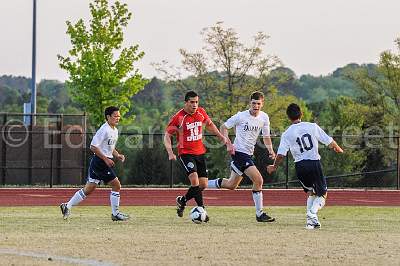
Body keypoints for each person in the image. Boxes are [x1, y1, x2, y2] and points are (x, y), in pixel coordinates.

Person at [267, 103, 343, 229]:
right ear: (301, 114)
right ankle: (312, 213)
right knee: (323, 193)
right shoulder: (312, 126)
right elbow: (329, 141)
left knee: (310, 191)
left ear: (288, 117)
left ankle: (310, 222)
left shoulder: (287, 133)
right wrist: (338, 149)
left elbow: (280, 154)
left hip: (300, 166)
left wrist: (274, 166)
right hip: (313, 163)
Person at [207, 91, 276, 222]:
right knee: (259, 180)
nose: (256, 106)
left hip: (248, 154)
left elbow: (266, 136)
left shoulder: (264, 117)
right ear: (250, 103)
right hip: (239, 153)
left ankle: (202, 184)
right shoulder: (241, 116)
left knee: (231, 185)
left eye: (258, 104)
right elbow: (223, 127)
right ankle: (259, 214)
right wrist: (228, 144)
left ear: (262, 104)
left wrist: (271, 150)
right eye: (254, 103)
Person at [164, 90, 230, 220]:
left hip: (200, 153)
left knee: (203, 184)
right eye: (192, 102)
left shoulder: (201, 112)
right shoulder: (179, 117)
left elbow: (210, 125)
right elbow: (167, 135)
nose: (195, 105)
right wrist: (170, 152)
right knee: (194, 180)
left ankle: (182, 200)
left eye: (196, 102)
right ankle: (202, 210)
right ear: (186, 103)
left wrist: (221, 137)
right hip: (186, 153)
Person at [60, 106, 129, 221]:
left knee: (89, 189)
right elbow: (93, 146)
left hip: (99, 162)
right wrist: (106, 159)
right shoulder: (104, 129)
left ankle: (67, 206)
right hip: (100, 162)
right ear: (108, 117)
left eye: (119, 116)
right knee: (116, 185)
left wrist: (118, 155)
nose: (118, 118)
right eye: (115, 116)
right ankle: (115, 214)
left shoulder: (115, 130)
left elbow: (110, 147)